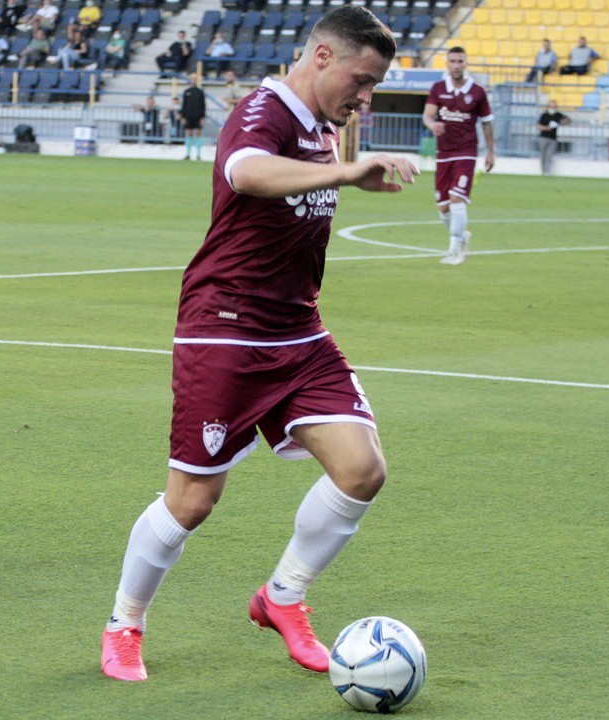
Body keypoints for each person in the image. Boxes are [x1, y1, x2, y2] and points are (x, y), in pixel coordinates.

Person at [100, 5, 417, 682]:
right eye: (362, 80)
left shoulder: (325, 127)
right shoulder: (262, 110)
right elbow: (246, 172)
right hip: (225, 330)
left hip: (299, 330)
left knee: (362, 469)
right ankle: (125, 625)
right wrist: (345, 173)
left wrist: (342, 165)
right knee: (192, 502)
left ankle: (283, 597)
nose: (366, 98)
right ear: (323, 57)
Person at [423, 45, 494, 266]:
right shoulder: (438, 88)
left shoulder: (478, 92)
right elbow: (427, 116)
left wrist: (491, 152)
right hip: (444, 153)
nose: (456, 65)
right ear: (447, 64)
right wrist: (432, 125)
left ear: (466, 63)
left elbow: (487, 123)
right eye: (452, 61)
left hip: (466, 152)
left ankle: (455, 250)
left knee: (456, 198)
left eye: (460, 61)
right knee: (444, 207)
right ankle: (462, 236)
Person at [535, 99, 569, 176]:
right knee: (543, 155)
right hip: (543, 137)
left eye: (554, 106)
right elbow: (538, 125)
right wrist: (547, 128)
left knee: (549, 155)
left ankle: (547, 171)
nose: (553, 108)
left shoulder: (558, 115)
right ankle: (543, 171)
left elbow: (567, 120)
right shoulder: (544, 115)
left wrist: (564, 121)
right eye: (551, 106)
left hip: (553, 138)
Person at [180, 73, 206, 160]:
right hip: (188, 116)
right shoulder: (186, 92)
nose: (193, 80)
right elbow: (184, 105)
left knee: (198, 133)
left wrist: (203, 117)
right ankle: (188, 154)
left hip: (198, 116)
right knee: (189, 133)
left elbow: (203, 105)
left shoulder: (200, 92)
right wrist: (183, 116)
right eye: (191, 78)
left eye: (195, 78)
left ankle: (198, 154)